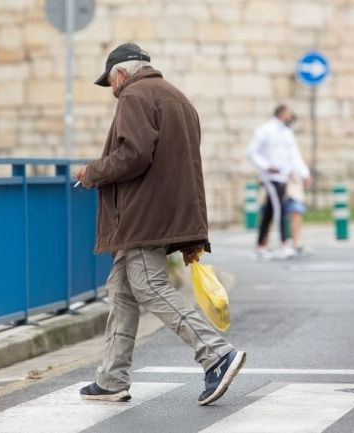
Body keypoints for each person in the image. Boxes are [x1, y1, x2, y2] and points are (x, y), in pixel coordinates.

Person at [76, 43, 246, 406]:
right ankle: (111, 379)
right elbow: (186, 167)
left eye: (111, 83)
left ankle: (215, 353)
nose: (113, 91)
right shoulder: (180, 99)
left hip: (143, 214)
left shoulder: (134, 96)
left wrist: (92, 172)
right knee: (121, 291)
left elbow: (133, 155)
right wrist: (191, 230)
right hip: (170, 211)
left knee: (149, 286)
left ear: (120, 73)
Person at [246, 106, 311, 259]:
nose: (291, 117)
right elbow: (250, 152)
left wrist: (304, 173)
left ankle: (260, 246)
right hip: (271, 178)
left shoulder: (287, 133)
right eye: (289, 115)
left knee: (269, 212)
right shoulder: (265, 130)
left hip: (284, 177)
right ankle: (284, 245)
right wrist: (266, 166)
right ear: (282, 114)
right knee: (279, 209)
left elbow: (294, 155)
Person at [284, 174, 311, 257]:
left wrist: (305, 174)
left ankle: (296, 244)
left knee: (296, 213)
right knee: (269, 213)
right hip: (278, 180)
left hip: (293, 184)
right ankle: (263, 244)